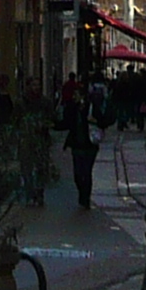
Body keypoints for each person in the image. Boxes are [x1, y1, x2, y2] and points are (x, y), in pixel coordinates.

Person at [60, 80, 97, 209]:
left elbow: (105, 119)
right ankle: (82, 193)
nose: (74, 97)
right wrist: (53, 124)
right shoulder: (71, 107)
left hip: (90, 144)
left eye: (76, 94)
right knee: (77, 174)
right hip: (76, 145)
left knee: (86, 172)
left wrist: (97, 121)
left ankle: (85, 198)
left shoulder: (91, 107)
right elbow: (66, 123)